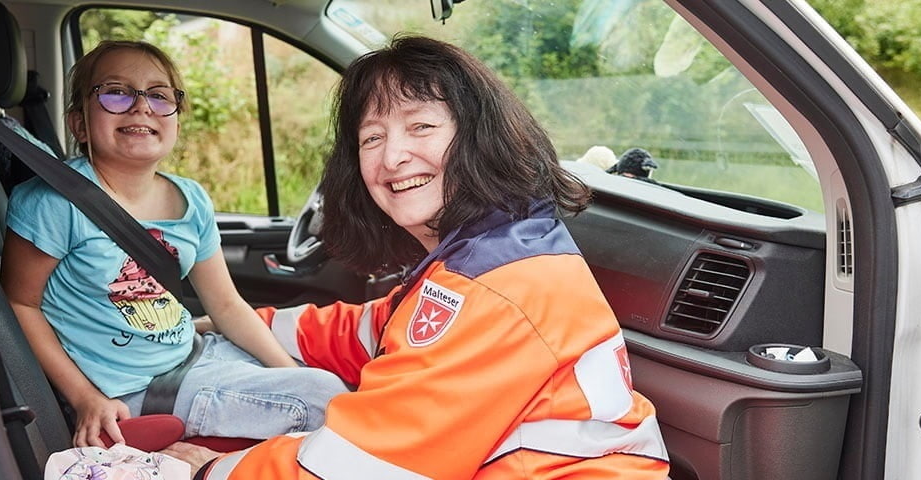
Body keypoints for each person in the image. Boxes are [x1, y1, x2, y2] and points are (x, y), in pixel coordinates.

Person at [171, 35, 669, 479]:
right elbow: (371, 330)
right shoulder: (486, 253)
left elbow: (359, 468)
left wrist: (206, 471)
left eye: (421, 126)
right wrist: (228, 323)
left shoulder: (499, 290)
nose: (393, 157)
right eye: (372, 138)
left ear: (479, 136)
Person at [0, 40, 348, 449]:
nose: (141, 106)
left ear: (176, 121)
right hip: (139, 392)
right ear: (79, 123)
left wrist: (286, 368)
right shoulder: (53, 203)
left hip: (196, 355)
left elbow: (227, 305)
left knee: (321, 367)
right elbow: (21, 305)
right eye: (115, 92)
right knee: (326, 400)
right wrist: (85, 398)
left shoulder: (191, 199)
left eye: (160, 95)